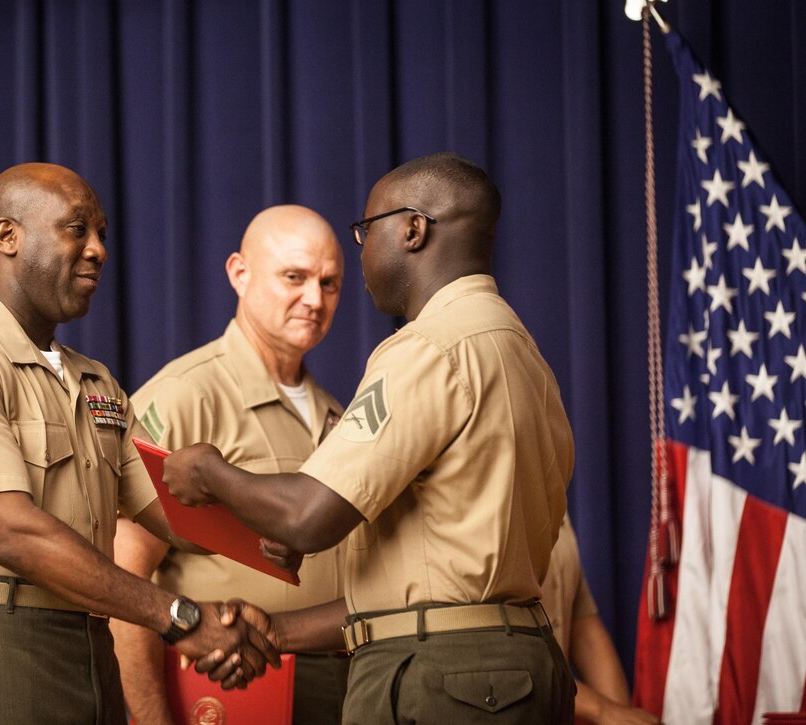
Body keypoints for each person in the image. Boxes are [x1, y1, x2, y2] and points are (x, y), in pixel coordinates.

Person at [162, 152, 577, 722]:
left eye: (365, 230)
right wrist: (278, 630)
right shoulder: (526, 355)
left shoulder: (430, 347)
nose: (360, 254)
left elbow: (309, 516)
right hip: (517, 664)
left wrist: (210, 473)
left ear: (412, 228)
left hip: (446, 677)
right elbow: (434, 571)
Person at [0, 162, 277, 724]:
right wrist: (180, 616)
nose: (98, 250)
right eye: (77, 229)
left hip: (87, 647)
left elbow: (172, 510)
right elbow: (9, 531)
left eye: (103, 235)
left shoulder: (94, 381)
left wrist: (282, 535)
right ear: (7, 236)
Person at [111, 205, 350, 724]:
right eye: (295, 277)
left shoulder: (342, 415)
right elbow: (123, 574)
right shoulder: (186, 395)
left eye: (330, 283)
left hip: (341, 686)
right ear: (239, 273)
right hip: (227, 686)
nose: (315, 299)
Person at [542, 515, 660, 724]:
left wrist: (622, 713)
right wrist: (603, 711)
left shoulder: (549, 495)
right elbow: (497, 655)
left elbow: (584, 629)